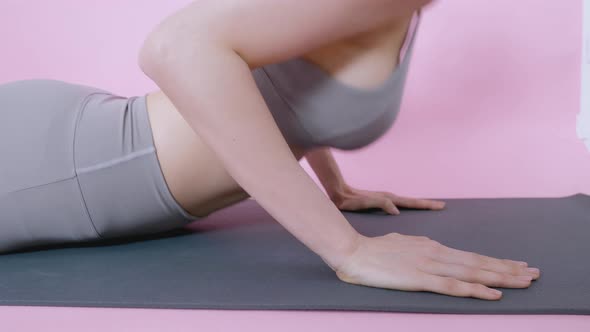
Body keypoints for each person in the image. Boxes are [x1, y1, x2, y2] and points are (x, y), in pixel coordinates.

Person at [0, 0, 539, 300]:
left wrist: (334, 187)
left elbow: (282, 86)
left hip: (84, 148)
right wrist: (349, 250)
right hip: (59, 166)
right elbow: (175, 48)